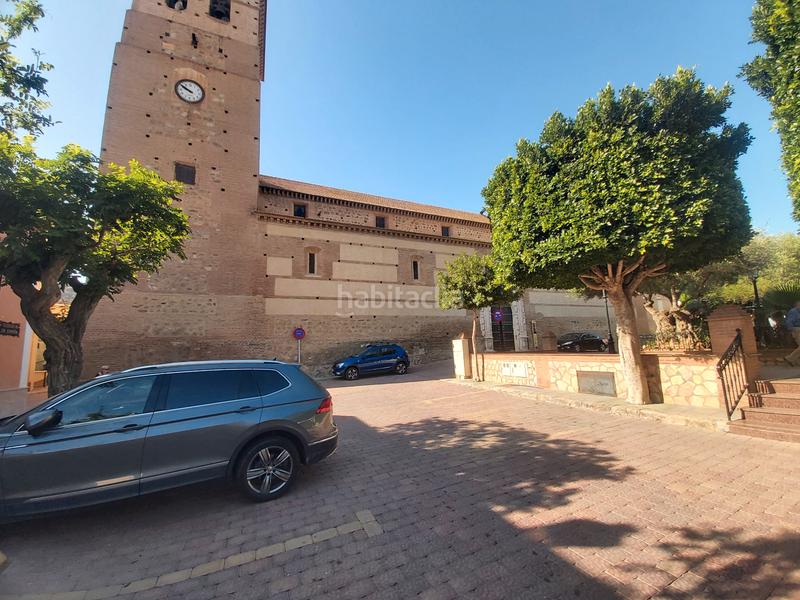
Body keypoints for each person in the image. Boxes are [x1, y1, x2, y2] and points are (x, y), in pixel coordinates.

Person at [784, 301, 800, 365]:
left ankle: (792, 359)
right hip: (797, 329)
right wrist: (793, 330)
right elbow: (789, 322)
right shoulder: (793, 311)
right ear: (797, 305)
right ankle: (789, 358)